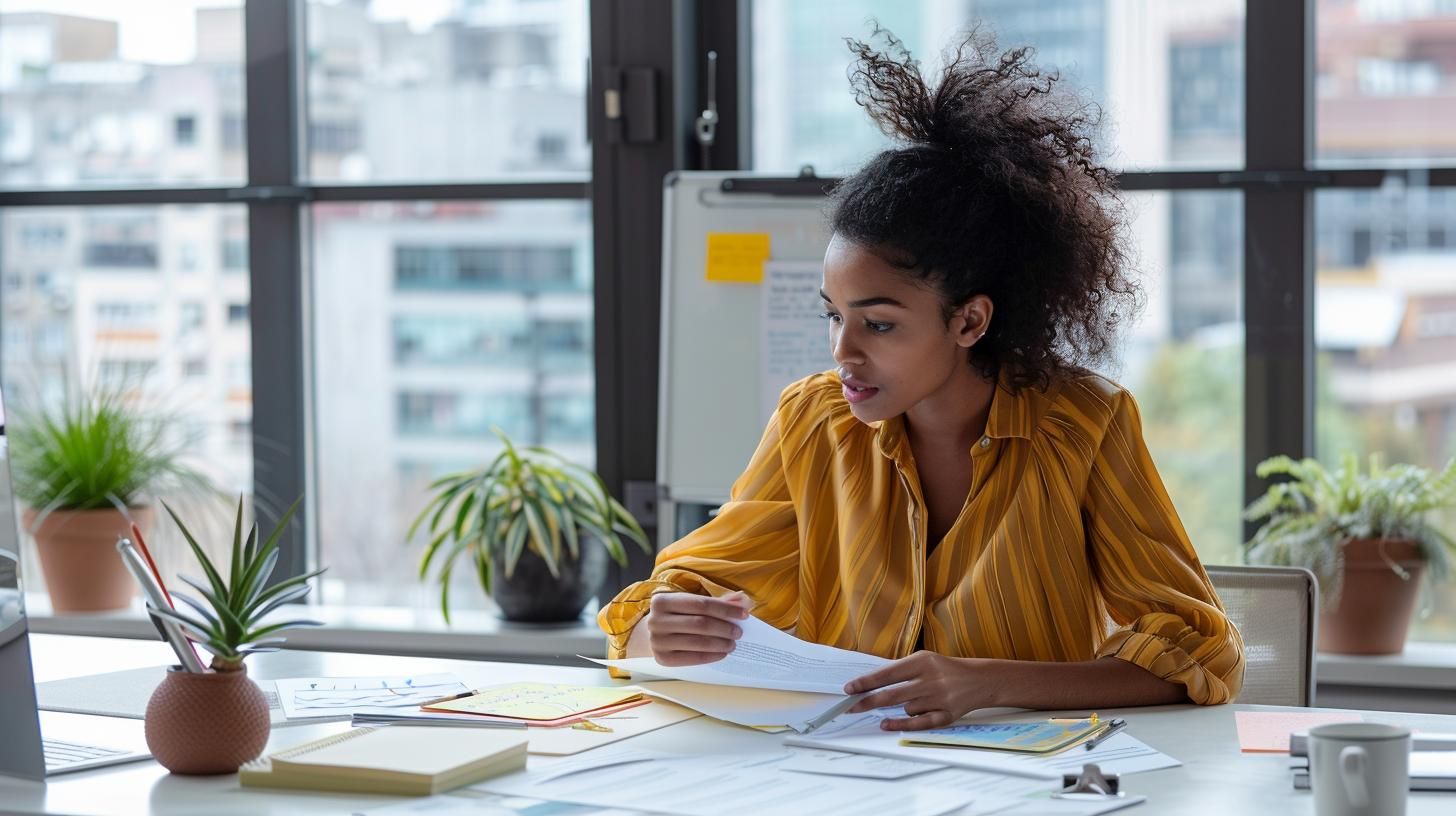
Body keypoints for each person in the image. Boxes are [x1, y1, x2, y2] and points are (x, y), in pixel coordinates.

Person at [598, 28, 1244, 731]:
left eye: (878, 325)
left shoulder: (1085, 422)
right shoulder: (812, 422)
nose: (843, 351)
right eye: (833, 316)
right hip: (845, 780)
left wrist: (986, 684)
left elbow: (1196, 652)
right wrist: (658, 632)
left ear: (969, 322)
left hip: (1031, 785)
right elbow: (686, 592)